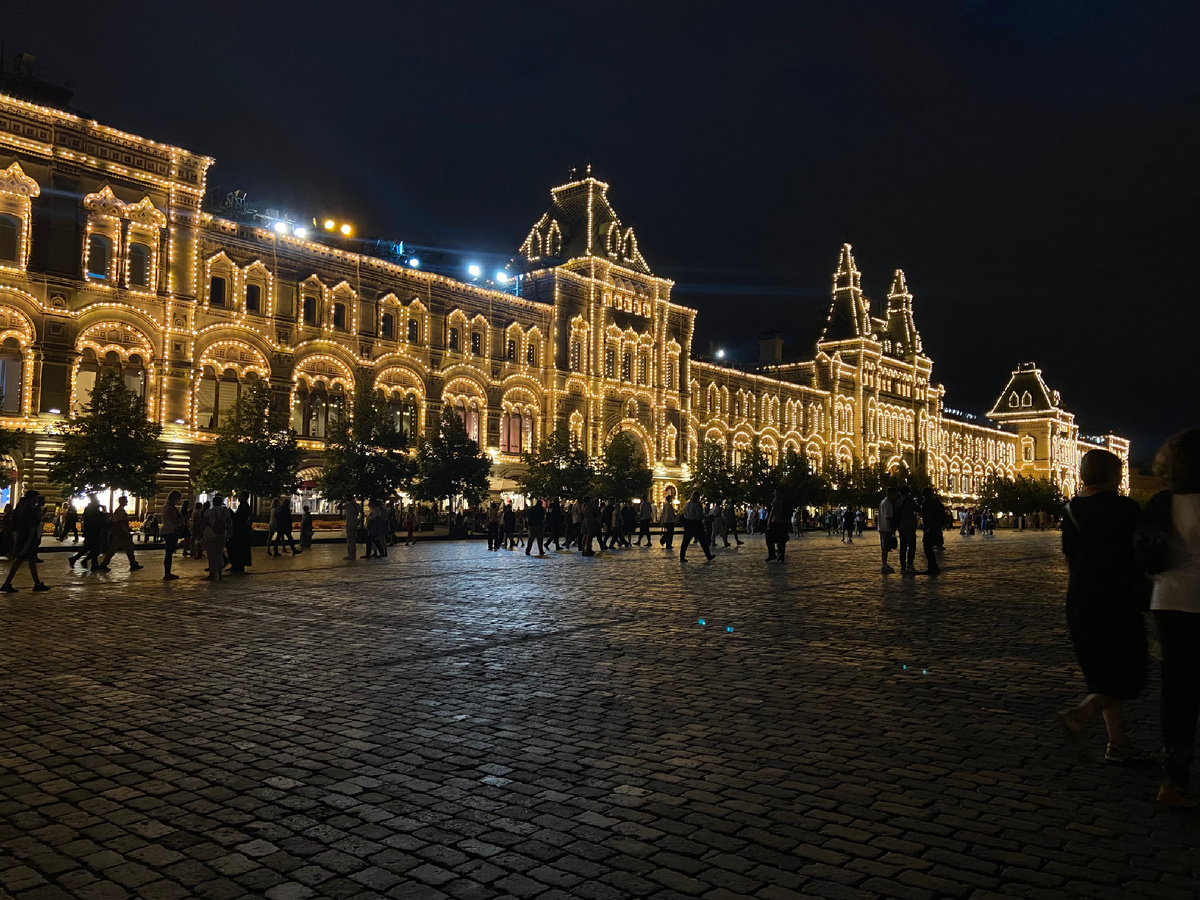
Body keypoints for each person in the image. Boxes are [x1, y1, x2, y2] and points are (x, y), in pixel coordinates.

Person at [1057, 449, 1149, 766]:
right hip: (1118, 600)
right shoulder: (1126, 508)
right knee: (1131, 675)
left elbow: (1069, 559)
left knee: (1103, 676)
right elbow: (1141, 553)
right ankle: (1082, 713)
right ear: (1114, 476)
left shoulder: (1070, 511)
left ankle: (1117, 744)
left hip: (1080, 602)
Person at [1142, 430, 1200, 807]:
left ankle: (1174, 780)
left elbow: (1143, 552)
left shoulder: (1162, 502)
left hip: (1169, 602)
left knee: (1178, 689)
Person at [0, 491, 48, 593]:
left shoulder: (21, 509)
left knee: (29, 561)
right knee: (19, 561)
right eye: (36, 498)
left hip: (23, 537)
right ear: (32, 498)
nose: (36, 500)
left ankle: (37, 583)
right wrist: (28, 542)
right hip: (27, 539)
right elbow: (33, 525)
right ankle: (7, 583)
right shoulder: (30, 510)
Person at [97, 495, 142, 573]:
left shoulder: (120, 510)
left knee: (122, 549)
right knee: (125, 549)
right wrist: (125, 531)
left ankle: (132, 563)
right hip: (120, 534)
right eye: (125, 500)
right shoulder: (120, 511)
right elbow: (119, 523)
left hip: (119, 534)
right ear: (122, 502)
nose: (127, 502)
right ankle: (132, 564)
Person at [70, 494, 104, 570]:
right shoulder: (92, 509)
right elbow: (96, 519)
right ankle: (90, 563)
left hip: (92, 530)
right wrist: (103, 512)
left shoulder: (91, 508)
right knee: (95, 548)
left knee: (90, 547)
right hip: (93, 530)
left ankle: (85, 561)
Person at [201, 495, 232, 580]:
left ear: (213, 503)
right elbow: (229, 523)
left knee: (211, 555)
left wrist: (200, 535)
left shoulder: (208, 512)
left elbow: (203, 524)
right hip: (222, 535)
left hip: (210, 535)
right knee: (219, 554)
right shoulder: (225, 512)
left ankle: (212, 574)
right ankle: (220, 574)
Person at [680, 490, 714, 562]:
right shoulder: (698, 504)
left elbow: (684, 513)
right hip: (696, 524)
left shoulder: (687, 504)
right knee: (703, 541)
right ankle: (708, 555)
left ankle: (682, 556)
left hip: (688, 523)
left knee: (685, 541)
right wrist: (707, 517)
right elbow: (699, 515)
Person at [918, 487, 945, 575]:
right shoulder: (936, 503)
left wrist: (927, 529)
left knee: (927, 548)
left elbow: (927, 518)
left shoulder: (926, 504)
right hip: (936, 528)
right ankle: (933, 566)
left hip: (930, 529)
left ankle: (932, 567)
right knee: (930, 548)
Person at [227, 491, 254, 574]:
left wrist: (231, 512)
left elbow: (239, 518)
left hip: (240, 531)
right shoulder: (243, 506)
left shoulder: (244, 506)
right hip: (241, 530)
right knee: (237, 547)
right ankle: (236, 564)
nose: (239, 498)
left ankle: (237, 564)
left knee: (237, 547)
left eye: (240, 496)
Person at [895, 485, 919, 574]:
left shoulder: (897, 501)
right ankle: (910, 564)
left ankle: (902, 565)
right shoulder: (909, 501)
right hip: (909, 525)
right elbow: (917, 509)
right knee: (912, 545)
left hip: (900, 525)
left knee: (903, 545)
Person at [160, 490, 182, 580]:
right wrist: (185, 518)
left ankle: (168, 572)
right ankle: (167, 573)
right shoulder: (170, 508)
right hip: (170, 531)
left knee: (169, 552)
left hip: (167, 531)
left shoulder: (166, 507)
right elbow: (174, 521)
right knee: (169, 553)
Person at [765, 488, 790, 563]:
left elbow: (773, 511)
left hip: (776, 522)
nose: (773, 493)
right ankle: (781, 556)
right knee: (781, 541)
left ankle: (772, 554)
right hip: (784, 522)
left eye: (775, 491)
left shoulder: (776, 500)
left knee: (769, 538)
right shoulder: (785, 501)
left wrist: (769, 521)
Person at [878, 485, 898, 575]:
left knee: (885, 547)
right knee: (885, 547)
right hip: (886, 528)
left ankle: (884, 564)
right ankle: (884, 565)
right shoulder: (888, 503)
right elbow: (888, 517)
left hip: (882, 527)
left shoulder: (883, 501)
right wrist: (891, 529)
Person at [343, 495, 360, 561]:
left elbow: (338, 507)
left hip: (350, 523)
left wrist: (342, 502)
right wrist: (358, 520)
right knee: (353, 539)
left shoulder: (348, 505)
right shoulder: (356, 505)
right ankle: (353, 554)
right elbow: (361, 512)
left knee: (350, 539)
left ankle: (351, 554)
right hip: (355, 523)